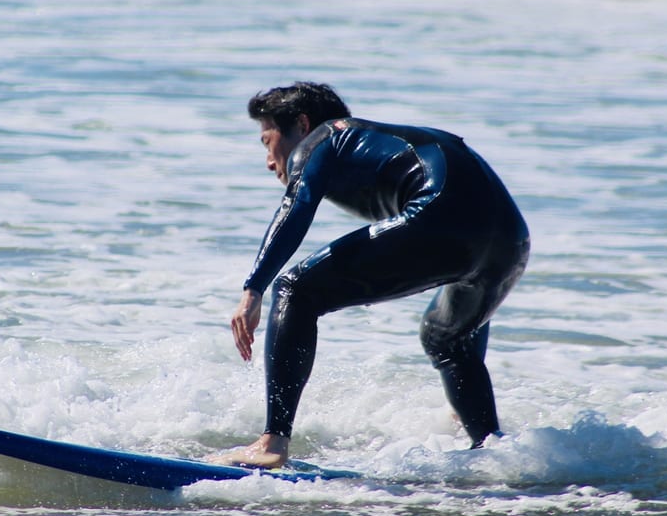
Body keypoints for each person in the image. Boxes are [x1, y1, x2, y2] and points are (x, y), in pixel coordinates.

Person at [210, 82, 530, 469]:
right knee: (447, 337)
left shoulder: (321, 138)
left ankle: (271, 444)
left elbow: (298, 206)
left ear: (301, 122)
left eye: (267, 140)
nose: (268, 160)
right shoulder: (384, 139)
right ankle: (493, 454)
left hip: (441, 215)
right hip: (510, 240)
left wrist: (253, 290)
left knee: (294, 289)